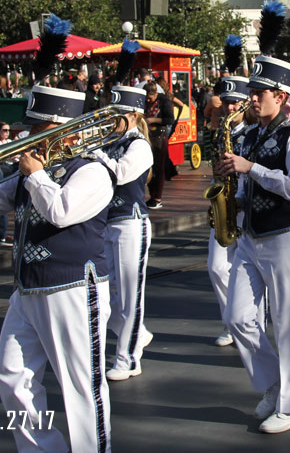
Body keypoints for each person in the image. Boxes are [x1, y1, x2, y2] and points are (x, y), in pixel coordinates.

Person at [0, 82, 116, 452]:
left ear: (65, 130)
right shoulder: (33, 172)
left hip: (74, 288)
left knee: (80, 387)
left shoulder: (93, 171)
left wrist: (34, 176)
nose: (26, 136)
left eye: (37, 128)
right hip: (28, 288)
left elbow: (61, 211)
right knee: (12, 376)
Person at [217, 0, 290, 434]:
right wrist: (231, 193)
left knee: (285, 324)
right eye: (252, 93)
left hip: (282, 237)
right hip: (248, 237)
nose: (252, 99)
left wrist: (250, 169)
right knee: (238, 318)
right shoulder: (248, 133)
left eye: (260, 94)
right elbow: (245, 181)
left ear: (281, 95)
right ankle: (272, 384)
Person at [100, 80, 156, 381]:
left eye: (118, 113)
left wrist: (94, 155)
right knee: (109, 298)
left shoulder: (140, 146)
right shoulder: (110, 143)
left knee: (131, 296)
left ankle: (129, 358)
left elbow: (120, 173)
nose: (112, 120)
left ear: (134, 115)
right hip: (107, 222)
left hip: (131, 223)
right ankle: (138, 333)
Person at [206, 73, 252, 347]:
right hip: (225, 207)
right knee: (217, 268)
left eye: (235, 103)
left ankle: (244, 321)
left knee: (245, 270)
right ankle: (231, 322)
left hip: (246, 208)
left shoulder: (254, 133)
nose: (230, 108)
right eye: (226, 102)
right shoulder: (219, 133)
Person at [144, 81, 174, 209]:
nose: (148, 100)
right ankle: (152, 195)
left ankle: (157, 197)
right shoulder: (146, 102)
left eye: (150, 97)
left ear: (156, 93)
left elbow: (169, 119)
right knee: (150, 167)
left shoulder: (164, 102)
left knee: (159, 168)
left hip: (160, 136)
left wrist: (154, 120)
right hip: (149, 135)